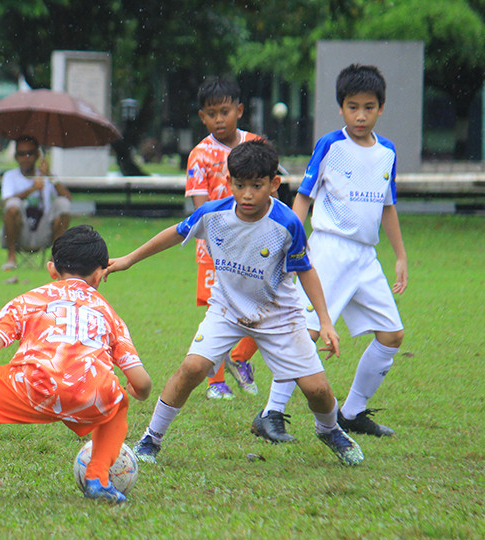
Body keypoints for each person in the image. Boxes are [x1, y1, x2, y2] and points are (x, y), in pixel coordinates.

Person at [110, 139, 364, 467]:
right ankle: (151, 438)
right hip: (227, 309)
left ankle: (329, 430)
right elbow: (174, 233)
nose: (246, 195)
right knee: (192, 368)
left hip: (279, 315)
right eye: (239, 185)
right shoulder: (213, 214)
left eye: (256, 186)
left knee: (316, 390)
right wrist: (130, 259)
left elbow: (306, 271)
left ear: (273, 185)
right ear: (228, 181)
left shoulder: (287, 224)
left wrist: (326, 322)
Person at [0, 225, 152, 504]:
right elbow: (142, 383)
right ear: (99, 275)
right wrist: (134, 390)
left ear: (51, 270)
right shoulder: (109, 314)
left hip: (33, 386)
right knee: (117, 400)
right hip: (91, 393)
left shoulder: (31, 299)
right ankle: (98, 479)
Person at [252, 64, 407, 443]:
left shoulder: (387, 152)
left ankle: (351, 413)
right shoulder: (330, 145)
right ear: (341, 108)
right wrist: (292, 243)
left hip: (366, 258)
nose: (360, 115)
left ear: (381, 109)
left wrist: (400, 255)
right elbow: (303, 197)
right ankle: (271, 413)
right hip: (328, 250)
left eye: (368, 107)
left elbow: (387, 206)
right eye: (352, 107)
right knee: (304, 332)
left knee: (392, 335)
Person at [186, 76, 263, 400]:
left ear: (239, 111)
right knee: (218, 312)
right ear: (203, 117)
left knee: (267, 305)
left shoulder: (257, 145)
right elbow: (200, 209)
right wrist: (224, 238)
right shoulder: (200, 156)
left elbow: (271, 191)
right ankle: (215, 381)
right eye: (211, 113)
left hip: (256, 247)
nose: (219, 119)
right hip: (215, 252)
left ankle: (240, 357)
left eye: (225, 111)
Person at [0, 136, 71, 271]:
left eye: (30, 153)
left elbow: (67, 197)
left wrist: (49, 175)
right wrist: (32, 189)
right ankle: (11, 257)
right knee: (13, 205)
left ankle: (55, 260)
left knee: (63, 204)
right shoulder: (10, 176)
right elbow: (7, 202)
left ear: (37, 155)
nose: (26, 157)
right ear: (16, 156)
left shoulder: (46, 175)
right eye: (21, 154)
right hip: (20, 230)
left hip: (44, 229)